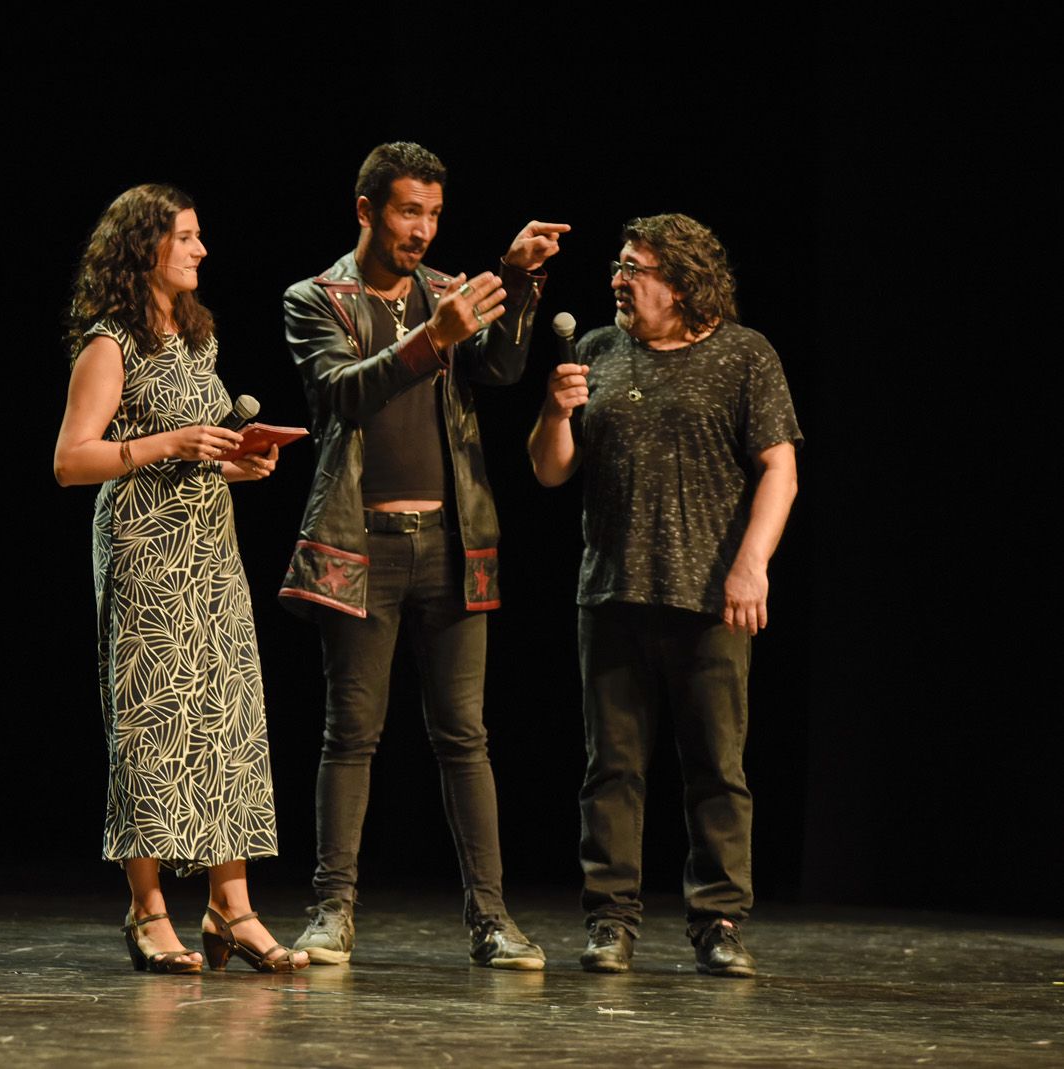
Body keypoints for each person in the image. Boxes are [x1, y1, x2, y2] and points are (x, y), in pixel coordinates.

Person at [278, 142, 569, 968]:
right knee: (352, 734)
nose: (424, 230)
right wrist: (432, 339)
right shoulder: (317, 297)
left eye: (434, 215)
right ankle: (332, 909)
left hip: (452, 541)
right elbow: (341, 392)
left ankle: (492, 918)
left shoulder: (446, 291)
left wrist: (514, 279)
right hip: (358, 544)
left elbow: (505, 367)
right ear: (366, 210)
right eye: (410, 212)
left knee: (464, 736)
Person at [527, 213, 801, 978]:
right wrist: (554, 410)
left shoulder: (744, 355)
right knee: (610, 768)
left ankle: (718, 918)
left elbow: (780, 467)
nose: (619, 276)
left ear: (681, 283)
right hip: (612, 592)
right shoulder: (598, 352)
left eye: (635, 266)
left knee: (716, 764)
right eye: (618, 263)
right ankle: (609, 919)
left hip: (710, 598)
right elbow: (550, 471)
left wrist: (753, 565)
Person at [53, 184, 306, 974]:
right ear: (146, 249)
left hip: (209, 552)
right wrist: (167, 443)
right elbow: (71, 460)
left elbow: (199, 453)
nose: (201, 250)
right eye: (187, 237)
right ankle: (148, 906)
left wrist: (241, 463)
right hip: (141, 553)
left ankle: (233, 909)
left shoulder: (199, 338)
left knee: (226, 719)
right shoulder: (109, 344)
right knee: (153, 726)